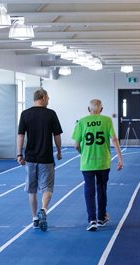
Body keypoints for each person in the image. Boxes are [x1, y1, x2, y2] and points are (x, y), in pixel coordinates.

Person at [72, 99, 124, 232]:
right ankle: (101, 217)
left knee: (89, 191)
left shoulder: (81, 122)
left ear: (88, 109)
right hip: (103, 161)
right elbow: (114, 139)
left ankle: (92, 220)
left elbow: (76, 145)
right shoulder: (107, 121)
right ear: (101, 109)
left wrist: (83, 153)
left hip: (87, 162)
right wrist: (120, 157)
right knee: (102, 189)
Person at [17, 88, 63, 232]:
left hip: (30, 159)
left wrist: (19, 154)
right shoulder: (51, 114)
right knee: (47, 188)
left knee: (32, 190)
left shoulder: (25, 114)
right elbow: (57, 135)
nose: (48, 100)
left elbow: (21, 136)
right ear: (42, 98)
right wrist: (59, 151)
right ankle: (43, 209)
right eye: (48, 98)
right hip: (46, 158)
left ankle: (34, 218)